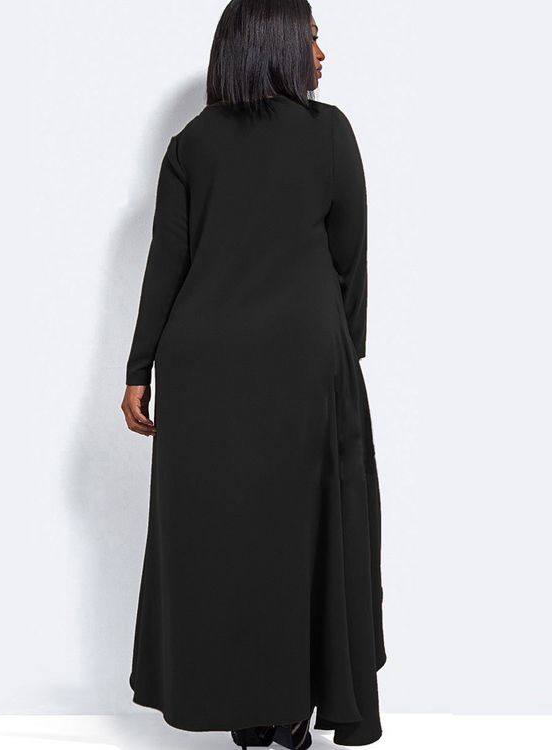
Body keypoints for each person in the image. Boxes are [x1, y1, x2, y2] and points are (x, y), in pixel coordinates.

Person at [120, 0, 386, 747]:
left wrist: (139, 369)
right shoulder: (328, 133)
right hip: (303, 361)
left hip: (202, 369)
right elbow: (350, 260)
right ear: (277, 46)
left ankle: (246, 707)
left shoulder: (190, 144)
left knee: (220, 541)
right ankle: (292, 701)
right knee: (305, 540)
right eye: (312, 39)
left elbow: (166, 265)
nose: (322, 54)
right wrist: (344, 356)